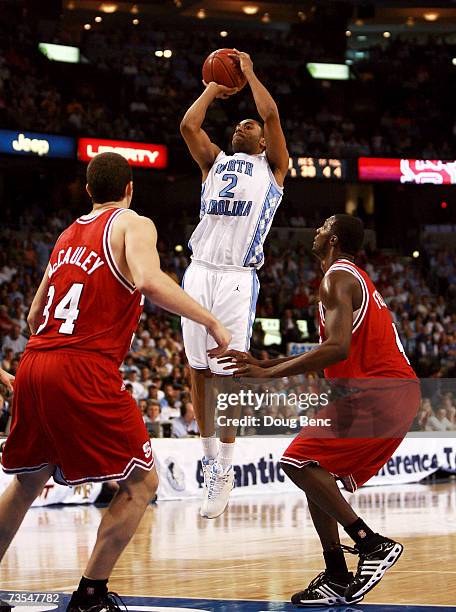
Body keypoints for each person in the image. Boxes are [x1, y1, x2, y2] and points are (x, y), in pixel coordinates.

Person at [0, 152, 230, 612]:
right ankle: (90, 594)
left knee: (27, 484)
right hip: (82, 367)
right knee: (143, 484)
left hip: (35, 361)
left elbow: (31, 316)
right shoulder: (133, 223)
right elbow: (147, 279)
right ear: (130, 189)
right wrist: (210, 320)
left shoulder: (66, 236)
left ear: (88, 191)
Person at [220, 214, 420, 606]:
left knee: (296, 462)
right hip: (383, 392)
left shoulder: (337, 277)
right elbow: (335, 350)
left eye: (324, 226)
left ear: (333, 240)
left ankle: (371, 544)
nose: (316, 230)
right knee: (311, 466)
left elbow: (337, 348)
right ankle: (335, 573)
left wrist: (271, 375)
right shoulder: (347, 279)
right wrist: (263, 364)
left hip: (382, 391)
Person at [180, 49, 289, 518]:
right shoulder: (215, 162)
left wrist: (248, 71)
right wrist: (212, 87)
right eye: (238, 123)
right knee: (197, 372)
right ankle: (209, 465)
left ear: (264, 143)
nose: (242, 124)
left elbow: (270, 112)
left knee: (228, 376)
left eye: (250, 126)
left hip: (236, 280)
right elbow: (188, 126)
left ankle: (226, 466)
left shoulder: (274, 169)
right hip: (198, 270)